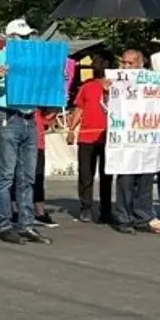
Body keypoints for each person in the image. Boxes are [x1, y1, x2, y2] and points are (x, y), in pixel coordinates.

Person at [0, 18, 52, 245]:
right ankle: (4, 224)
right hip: (7, 116)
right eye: (21, 37)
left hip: (29, 117)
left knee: (27, 176)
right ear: (9, 38)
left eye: (27, 36)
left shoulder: (35, 59)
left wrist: (55, 83)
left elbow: (44, 90)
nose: (26, 40)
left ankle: (27, 224)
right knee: (6, 175)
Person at [112, 49, 160, 235]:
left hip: (146, 140)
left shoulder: (151, 80)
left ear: (140, 63)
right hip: (126, 141)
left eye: (130, 63)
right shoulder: (118, 81)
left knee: (145, 182)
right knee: (126, 183)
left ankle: (142, 218)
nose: (126, 66)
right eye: (124, 62)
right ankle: (124, 219)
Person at [66, 53, 114, 223]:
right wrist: (71, 129)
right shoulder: (87, 87)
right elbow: (79, 109)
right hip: (87, 137)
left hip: (109, 137)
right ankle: (86, 207)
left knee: (106, 175)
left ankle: (106, 210)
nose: (95, 67)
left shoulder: (115, 87)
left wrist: (109, 92)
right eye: (94, 65)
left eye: (98, 64)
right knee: (86, 174)